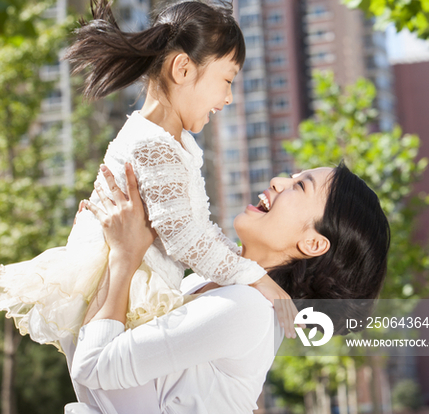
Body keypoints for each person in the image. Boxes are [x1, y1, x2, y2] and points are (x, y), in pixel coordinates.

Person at [0, 0, 295, 350]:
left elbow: (193, 229)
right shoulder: (153, 146)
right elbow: (185, 237)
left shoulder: (166, 141)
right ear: (183, 69)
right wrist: (259, 278)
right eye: (228, 80)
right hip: (122, 298)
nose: (229, 97)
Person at [67, 160, 390, 414]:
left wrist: (122, 255)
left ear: (313, 242)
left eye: (299, 186)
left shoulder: (247, 308)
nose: (278, 181)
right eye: (292, 175)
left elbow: (93, 367)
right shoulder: (205, 283)